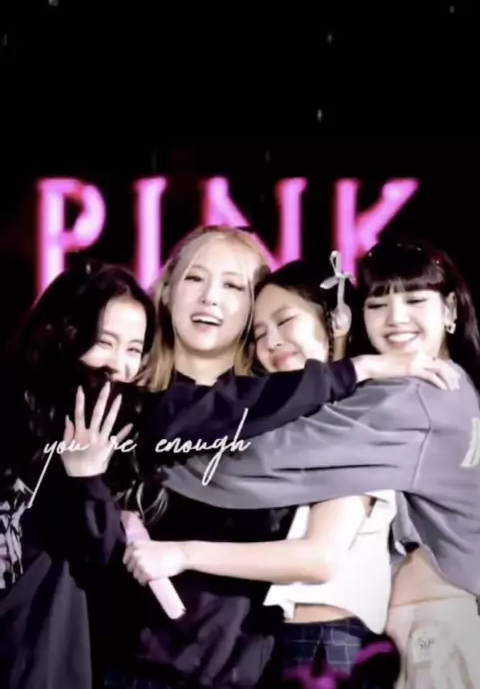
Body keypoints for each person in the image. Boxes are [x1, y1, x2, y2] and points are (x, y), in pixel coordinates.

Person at [60, 230, 459, 689]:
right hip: (129, 670)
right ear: (166, 291)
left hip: (251, 672)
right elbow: (86, 563)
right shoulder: (121, 403)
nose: (210, 297)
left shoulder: (302, 418)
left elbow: (325, 556)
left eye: (233, 286)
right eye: (195, 278)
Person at [0, 258, 156, 689]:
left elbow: (109, 579)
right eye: (105, 342)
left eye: (133, 349)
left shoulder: (130, 445)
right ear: (64, 337)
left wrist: (88, 479)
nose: (119, 366)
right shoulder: (17, 423)